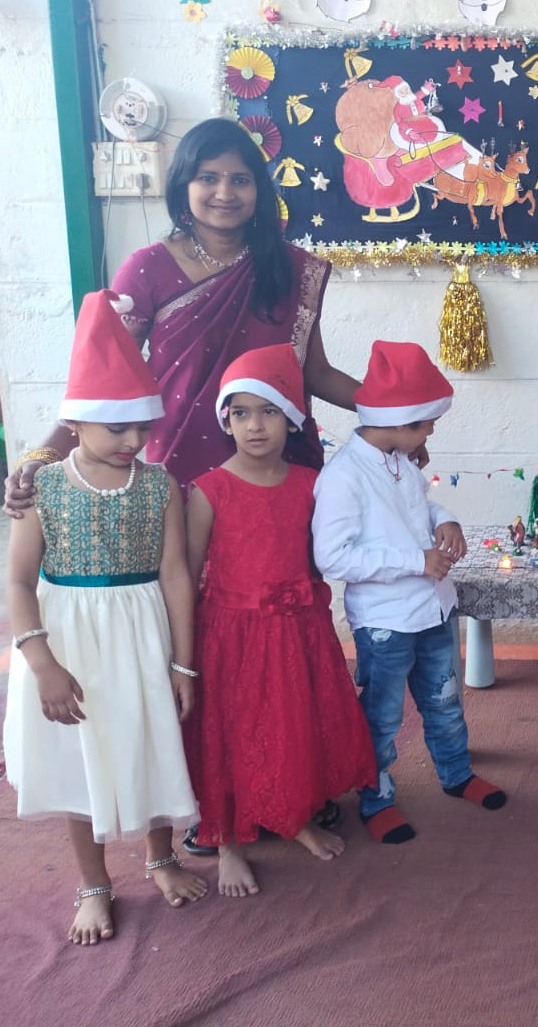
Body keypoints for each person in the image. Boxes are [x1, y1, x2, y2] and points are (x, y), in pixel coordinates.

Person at [3, 118, 386, 511]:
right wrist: (43, 456)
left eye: (240, 180)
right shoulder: (146, 270)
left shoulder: (290, 268)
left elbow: (315, 372)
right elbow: (103, 382)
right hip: (183, 463)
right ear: (182, 185)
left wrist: (396, 416)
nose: (225, 192)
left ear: (258, 189)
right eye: (208, 178)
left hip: (278, 462)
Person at [1, 291, 205, 946]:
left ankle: (160, 858)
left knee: (149, 741)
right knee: (79, 759)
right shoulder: (43, 487)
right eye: (117, 427)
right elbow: (17, 581)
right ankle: (93, 884)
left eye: (142, 426)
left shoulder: (160, 484)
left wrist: (182, 663)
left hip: (143, 634)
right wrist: (42, 665)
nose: (133, 441)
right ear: (76, 421)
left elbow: (176, 573)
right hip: (68, 643)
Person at [182, 345, 378, 896]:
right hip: (232, 638)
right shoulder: (209, 491)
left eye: (268, 411)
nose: (254, 425)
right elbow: (188, 576)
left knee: (292, 728)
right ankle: (228, 843)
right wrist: (183, 652)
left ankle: (296, 818)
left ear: (292, 418)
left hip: (299, 633)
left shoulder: (311, 484)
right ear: (226, 421)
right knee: (233, 735)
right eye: (241, 413)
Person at [312, 341, 507, 845]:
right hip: (385, 623)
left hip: (434, 610)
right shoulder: (343, 476)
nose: (430, 433)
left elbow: (421, 508)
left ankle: (456, 774)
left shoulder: (399, 458)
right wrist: (415, 561)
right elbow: (332, 557)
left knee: (445, 701)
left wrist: (447, 520)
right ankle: (376, 799)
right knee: (382, 717)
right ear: (398, 422)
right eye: (426, 424)